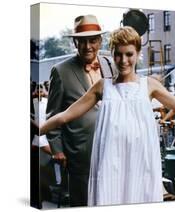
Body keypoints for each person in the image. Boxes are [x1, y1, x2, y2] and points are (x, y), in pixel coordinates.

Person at [40, 27, 175, 206]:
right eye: (118, 54)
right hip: (110, 161)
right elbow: (65, 115)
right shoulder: (103, 86)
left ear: (137, 53)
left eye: (129, 54)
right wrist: (36, 130)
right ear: (112, 54)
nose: (123, 60)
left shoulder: (148, 85)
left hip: (141, 160)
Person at [45, 15, 115, 207]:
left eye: (92, 40)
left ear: (100, 41)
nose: (87, 46)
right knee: (82, 202)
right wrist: (57, 150)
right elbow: (52, 114)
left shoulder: (110, 64)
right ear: (75, 42)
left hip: (112, 148)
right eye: (82, 41)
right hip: (79, 153)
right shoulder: (60, 71)